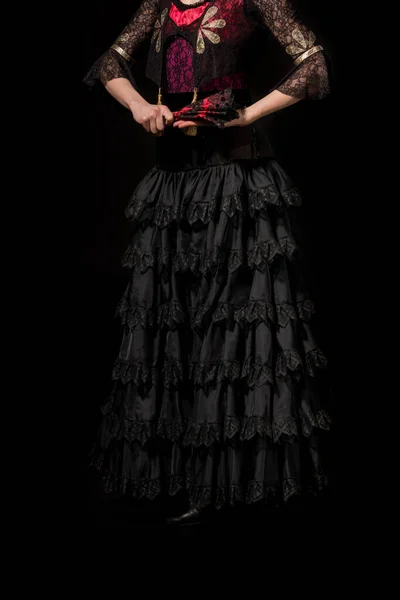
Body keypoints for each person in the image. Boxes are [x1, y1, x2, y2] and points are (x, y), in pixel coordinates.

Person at [84, 0, 332, 525]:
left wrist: (248, 113)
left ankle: (225, 484)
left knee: (229, 324)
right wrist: (137, 105)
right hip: (172, 184)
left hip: (232, 182)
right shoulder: (159, 4)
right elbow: (110, 63)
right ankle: (176, 478)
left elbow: (313, 62)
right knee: (171, 323)